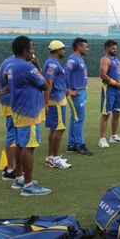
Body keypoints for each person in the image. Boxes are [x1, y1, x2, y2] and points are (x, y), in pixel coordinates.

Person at [8, 35, 51, 196]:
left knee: (20, 144)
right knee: (29, 147)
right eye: (32, 48)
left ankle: (19, 178)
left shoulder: (12, 65)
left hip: (19, 111)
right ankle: (28, 185)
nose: (33, 51)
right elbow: (45, 85)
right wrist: (38, 66)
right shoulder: (27, 66)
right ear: (25, 50)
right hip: (29, 112)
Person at [43, 40, 72, 169]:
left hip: (58, 99)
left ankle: (51, 157)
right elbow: (49, 83)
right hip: (56, 101)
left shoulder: (52, 63)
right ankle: (55, 158)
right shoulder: (52, 64)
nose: (64, 51)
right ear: (57, 50)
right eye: (63, 49)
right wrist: (46, 103)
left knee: (55, 128)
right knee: (60, 128)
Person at [65, 38, 93, 155]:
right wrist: (68, 90)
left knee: (75, 118)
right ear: (78, 47)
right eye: (85, 47)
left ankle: (71, 144)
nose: (87, 49)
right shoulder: (72, 59)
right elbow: (65, 73)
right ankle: (80, 145)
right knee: (79, 118)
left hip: (81, 92)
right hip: (76, 93)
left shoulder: (79, 59)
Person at [98, 40, 120, 148]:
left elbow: (118, 75)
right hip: (109, 90)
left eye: (115, 48)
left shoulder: (117, 60)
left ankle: (114, 136)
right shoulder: (105, 60)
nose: (115, 50)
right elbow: (103, 75)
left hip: (118, 91)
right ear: (107, 48)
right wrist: (116, 83)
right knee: (106, 114)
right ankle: (102, 139)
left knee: (117, 113)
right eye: (112, 48)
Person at [0, 55, 16, 180]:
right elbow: (5, 74)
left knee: (12, 133)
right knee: (13, 135)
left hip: (8, 101)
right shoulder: (12, 63)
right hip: (11, 103)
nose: (32, 51)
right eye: (31, 48)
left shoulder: (7, 60)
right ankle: (10, 169)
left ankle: (11, 167)